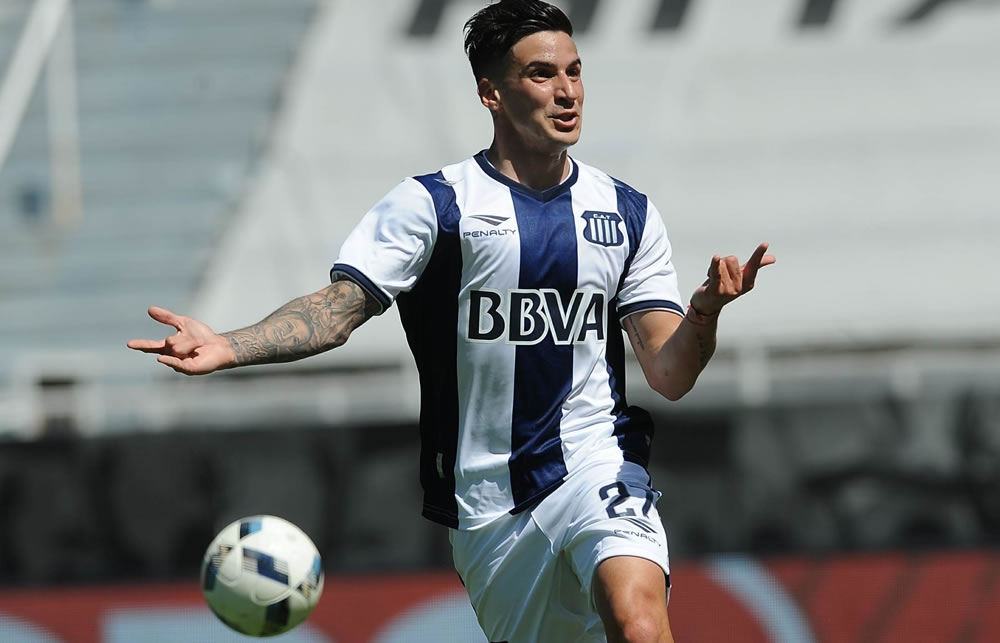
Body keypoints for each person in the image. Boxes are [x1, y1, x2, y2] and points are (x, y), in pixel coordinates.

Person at [128, 1, 775, 641]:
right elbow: (339, 310)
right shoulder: (433, 206)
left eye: (574, 71)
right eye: (541, 74)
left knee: (639, 622)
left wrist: (704, 313)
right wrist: (231, 345)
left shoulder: (626, 213)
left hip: (596, 463)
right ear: (491, 93)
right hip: (488, 507)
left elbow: (669, 372)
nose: (567, 91)